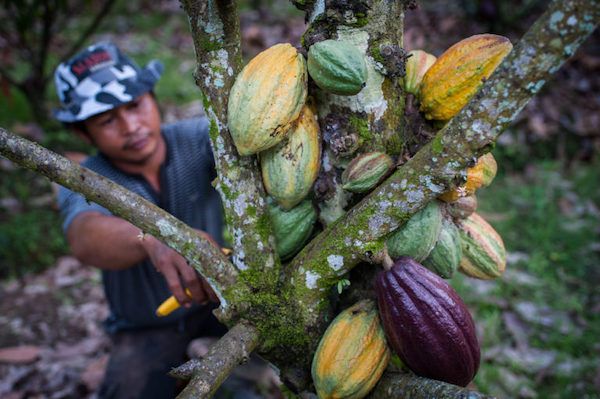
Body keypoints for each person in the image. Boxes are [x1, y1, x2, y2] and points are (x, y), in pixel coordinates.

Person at [53, 41, 242, 399]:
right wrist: (154, 237)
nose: (130, 126)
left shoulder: (198, 138)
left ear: (152, 98)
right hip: (146, 324)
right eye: (108, 120)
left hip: (221, 296)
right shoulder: (84, 177)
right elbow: (84, 234)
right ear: (82, 133)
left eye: (136, 105)